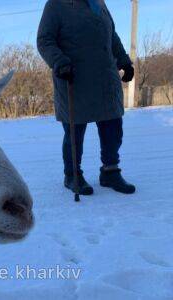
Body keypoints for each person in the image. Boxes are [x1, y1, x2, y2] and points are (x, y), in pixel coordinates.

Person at [37, 0, 135, 195]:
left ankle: (110, 172)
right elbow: (44, 40)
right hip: (74, 77)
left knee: (113, 126)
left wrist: (124, 60)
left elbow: (112, 36)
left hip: (105, 77)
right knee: (75, 132)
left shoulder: (99, 3)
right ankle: (72, 175)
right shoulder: (56, 5)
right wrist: (59, 62)